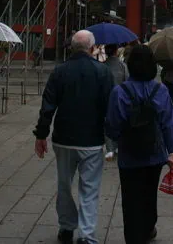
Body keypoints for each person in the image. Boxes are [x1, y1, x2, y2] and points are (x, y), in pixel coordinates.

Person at [33, 30, 114, 244]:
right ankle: (87, 235)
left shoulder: (60, 71)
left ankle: (67, 226)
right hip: (92, 139)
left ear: (71, 47)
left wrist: (41, 134)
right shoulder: (103, 72)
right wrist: (112, 139)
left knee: (64, 185)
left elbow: (48, 105)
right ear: (92, 48)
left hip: (64, 137)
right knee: (90, 188)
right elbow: (110, 107)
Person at [105, 45, 173, 244]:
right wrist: (172, 151)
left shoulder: (119, 92)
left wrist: (115, 139)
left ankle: (133, 236)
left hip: (129, 153)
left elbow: (112, 124)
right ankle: (148, 227)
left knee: (130, 197)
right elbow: (168, 123)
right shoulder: (160, 90)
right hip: (155, 152)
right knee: (149, 192)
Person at [104, 44, 129, 161]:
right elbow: (127, 81)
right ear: (116, 51)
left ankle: (110, 149)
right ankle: (119, 145)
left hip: (106, 98)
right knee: (120, 121)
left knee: (107, 122)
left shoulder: (102, 66)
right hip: (121, 97)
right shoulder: (123, 66)